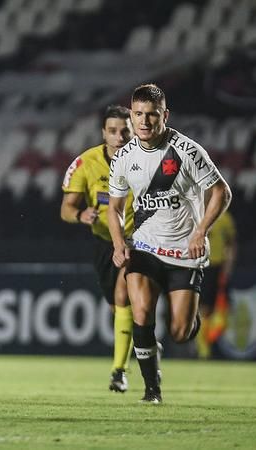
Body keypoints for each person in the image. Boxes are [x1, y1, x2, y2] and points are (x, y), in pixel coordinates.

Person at [108, 83, 232, 403]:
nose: (144, 122)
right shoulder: (123, 157)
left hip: (183, 253)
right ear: (131, 116)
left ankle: (187, 323)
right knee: (142, 310)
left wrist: (201, 231)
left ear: (165, 115)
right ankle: (152, 390)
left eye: (151, 115)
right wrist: (119, 242)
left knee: (179, 332)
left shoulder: (187, 151)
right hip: (145, 247)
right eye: (138, 115)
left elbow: (222, 192)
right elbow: (115, 209)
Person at [61, 105, 135, 393]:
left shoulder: (145, 160)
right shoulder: (85, 163)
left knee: (123, 294)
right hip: (104, 241)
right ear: (104, 133)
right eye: (113, 131)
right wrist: (81, 215)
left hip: (136, 240)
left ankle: (119, 372)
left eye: (124, 131)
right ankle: (142, 341)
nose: (119, 137)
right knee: (117, 308)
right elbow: (66, 209)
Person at [196, 209, 237, 358]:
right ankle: (203, 349)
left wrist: (228, 267)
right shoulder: (196, 214)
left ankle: (207, 342)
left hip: (218, 268)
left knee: (221, 309)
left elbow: (231, 244)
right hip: (200, 265)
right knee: (204, 308)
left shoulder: (225, 217)